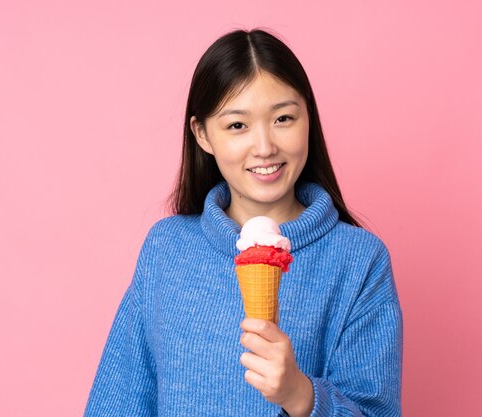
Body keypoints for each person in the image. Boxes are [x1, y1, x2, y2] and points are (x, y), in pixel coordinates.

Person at [83, 28, 403, 417]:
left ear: (309, 119)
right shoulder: (166, 248)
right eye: (237, 125)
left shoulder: (359, 261)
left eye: (283, 118)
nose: (265, 146)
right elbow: (118, 401)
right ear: (202, 134)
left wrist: (301, 395)